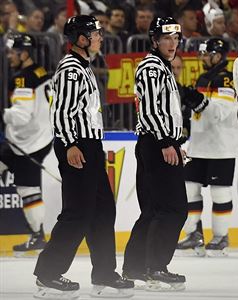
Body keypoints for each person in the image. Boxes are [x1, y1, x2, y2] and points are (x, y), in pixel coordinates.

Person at [33, 15, 134, 299]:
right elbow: (61, 111)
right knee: (77, 213)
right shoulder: (71, 69)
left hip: (89, 146)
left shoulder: (84, 67)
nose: (100, 37)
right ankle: (48, 274)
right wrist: (70, 145)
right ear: (81, 38)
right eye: (95, 33)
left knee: (103, 211)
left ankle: (103, 273)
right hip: (76, 145)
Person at [122, 17, 188, 291]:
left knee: (152, 210)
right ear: (155, 40)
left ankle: (136, 267)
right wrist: (165, 142)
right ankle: (155, 268)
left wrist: (174, 141)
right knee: (173, 209)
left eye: (175, 38)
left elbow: (164, 111)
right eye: (166, 39)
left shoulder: (161, 66)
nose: (172, 44)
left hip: (157, 143)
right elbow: (149, 109)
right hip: (155, 144)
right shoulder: (151, 67)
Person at [176, 37, 238, 257]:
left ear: (217, 55)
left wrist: (196, 100)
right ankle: (193, 234)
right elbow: (199, 113)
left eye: (206, 54)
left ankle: (221, 236)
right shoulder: (204, 78)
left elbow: (220, 113)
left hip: (222, 146)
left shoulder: (226, 80)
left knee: (220, 191)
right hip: (199, 144)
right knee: (189, 188)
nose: (203, 58)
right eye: (202, 54)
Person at [0, 33, 53, 256]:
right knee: (27, 188)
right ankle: (37, 235)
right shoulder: (40, 72)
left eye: (12, 52)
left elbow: (22, 116)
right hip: (33, 140)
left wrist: (3, 114)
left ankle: (37, 236)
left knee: (28, 190)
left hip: (28, 144)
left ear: (24, 53)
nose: (9, 56)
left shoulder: (22, 78)